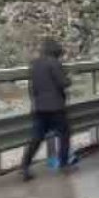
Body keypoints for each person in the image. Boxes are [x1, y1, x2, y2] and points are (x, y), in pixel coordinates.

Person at [21, 38, 75, 182]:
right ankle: (64, 164)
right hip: (56, 107)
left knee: (36, 138)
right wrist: (69, 77)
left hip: (39, 107)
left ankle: (25, 166)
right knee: (64, 134)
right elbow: (63, 83)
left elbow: (32, 88)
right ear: (55, 51)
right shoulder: (54, 63)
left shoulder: (34, 65)